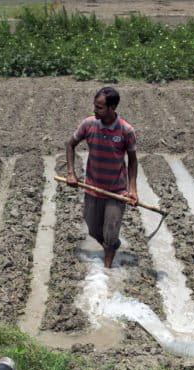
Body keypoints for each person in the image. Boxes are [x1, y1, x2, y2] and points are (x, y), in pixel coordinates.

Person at [66, 86, 138, 268]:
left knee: (110, 231)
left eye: (99, 107)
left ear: (112, 108)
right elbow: (70, 144)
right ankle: (112, 246)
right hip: (93, 188)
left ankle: (107, 270)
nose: (95, 110)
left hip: (116, 191)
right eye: (95, 106)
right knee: (93, 229)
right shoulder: (88, 124)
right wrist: (71, 173)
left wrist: (132, 190)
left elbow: (133, 161)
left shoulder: (126, 131)